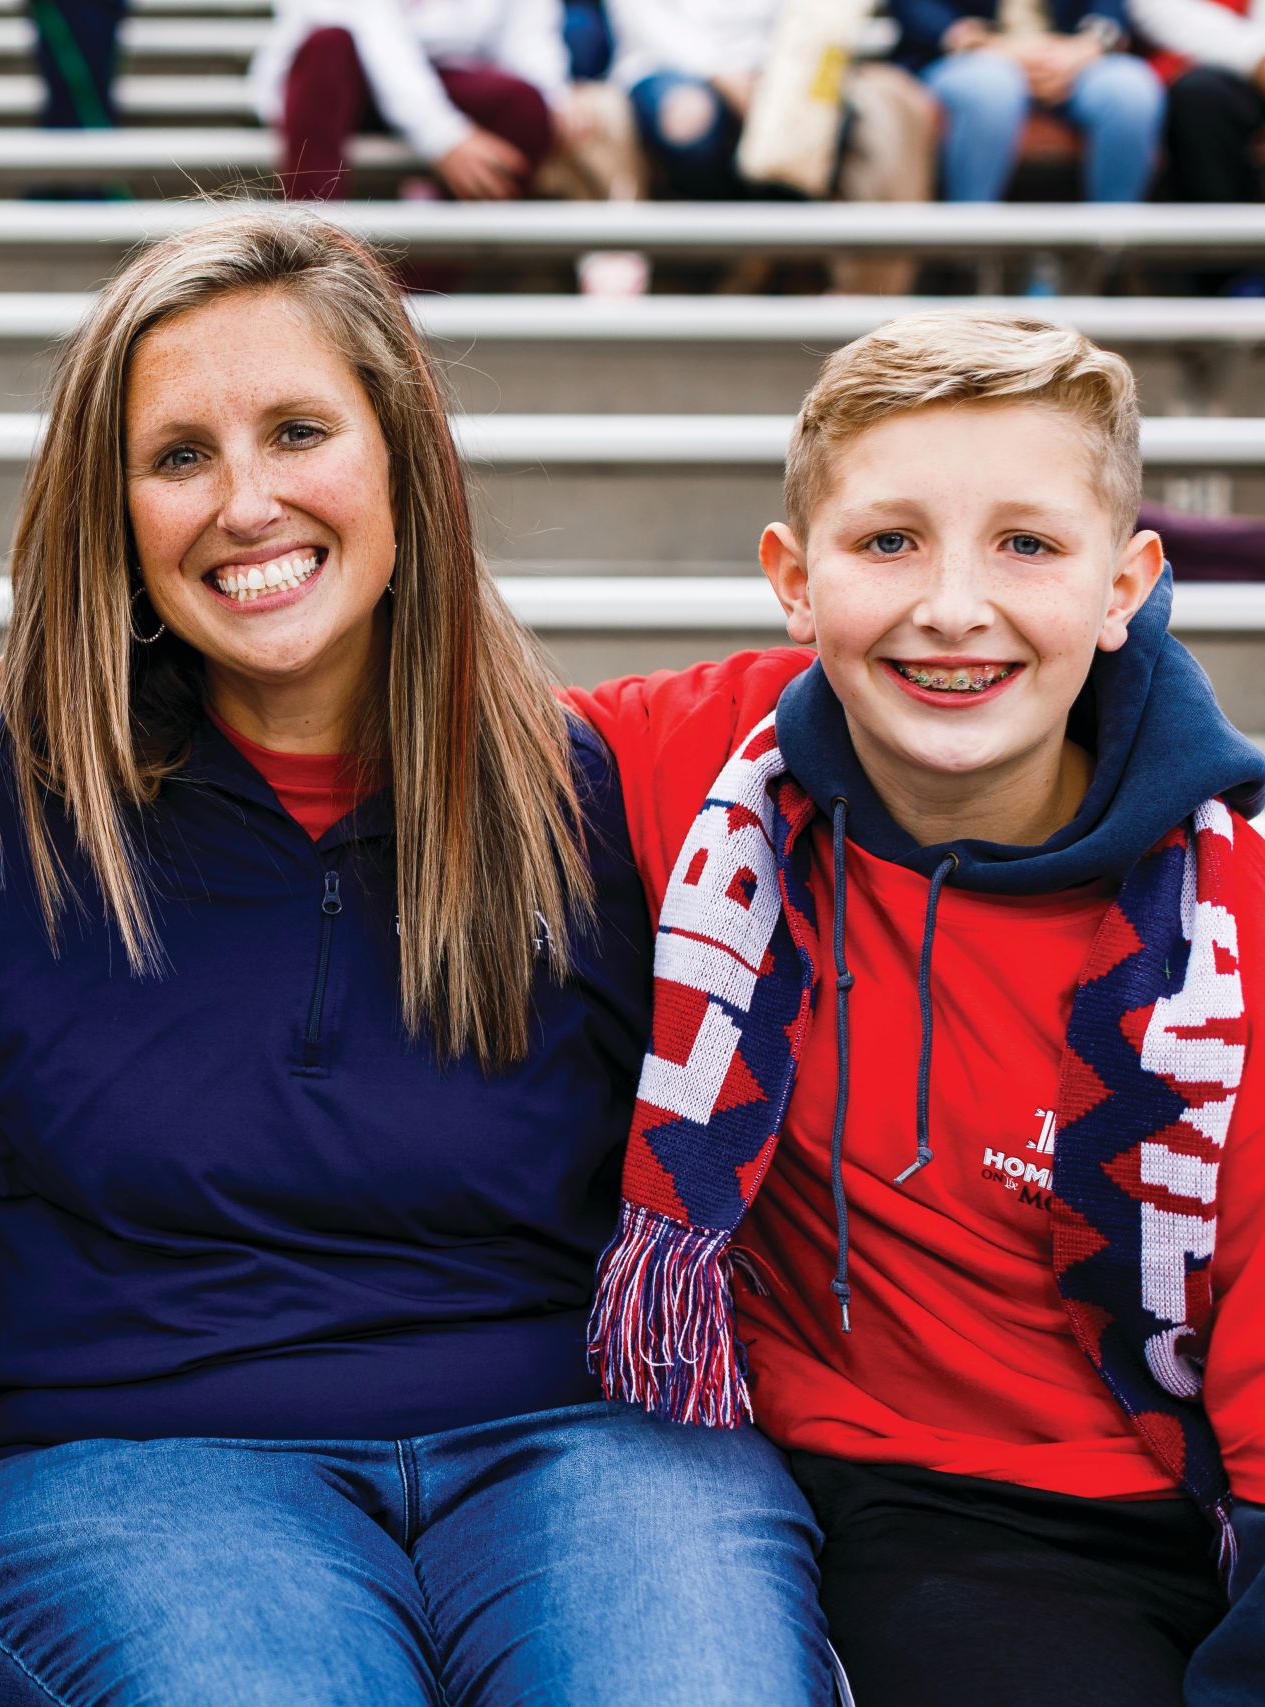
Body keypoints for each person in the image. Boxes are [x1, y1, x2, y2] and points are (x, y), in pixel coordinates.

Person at [0, 209, 833, 1704]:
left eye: (297, 430)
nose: (248, 501)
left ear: (402, 455)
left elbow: (977, 660)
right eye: (180, 455)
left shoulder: (601, 787)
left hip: (579, 1454)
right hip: (143, 1465)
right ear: (111, 508)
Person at [572, 311, 1265, 1704]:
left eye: (1028, 543)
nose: (955, 605)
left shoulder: (1229, 923)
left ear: (1128, 581)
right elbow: (384, 731)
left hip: (1133, 1505)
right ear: (793, 576)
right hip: (815, 1481)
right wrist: (1, 714)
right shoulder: (701, 767)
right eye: (889, 541)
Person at [604, 0, 934, 210]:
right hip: (665, 63)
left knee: (828, 117)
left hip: (778, 64)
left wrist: (780, 79)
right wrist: (720, 73)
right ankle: (734, 249)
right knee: (686, 120)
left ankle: (781, 258)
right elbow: (643, 22)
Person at [250, 0, 574, 199]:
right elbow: (375, 35)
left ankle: (413, 284)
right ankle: (311, 235)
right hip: (345, 82)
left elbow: (527, 34)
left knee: (527, 106)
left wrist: (552, 97)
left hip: (443, 82)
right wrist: (444, 135)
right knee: (328, 45)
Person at [892, 0, 1166, 202]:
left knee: (1131, 90)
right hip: (965, 55)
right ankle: (967, 248)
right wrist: (984, 45)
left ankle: (1110, 250)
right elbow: (916, 9)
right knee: (990, 86)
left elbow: (1109, 12)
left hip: (1069, 56)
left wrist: (1085, 48)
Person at [1132, 0, 1265, 203]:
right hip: (1195, 76)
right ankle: (1221, 226)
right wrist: (1255, 57)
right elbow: (1158, 12)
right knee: (1201, 99)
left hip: (1243, 70)